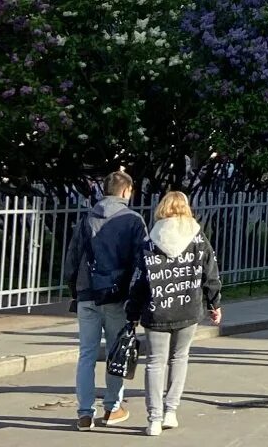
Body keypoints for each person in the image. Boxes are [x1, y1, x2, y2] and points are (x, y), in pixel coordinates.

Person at [126, 191, 222, 436]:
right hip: (188, 306)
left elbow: (139, 279)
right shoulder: (197, 237)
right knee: (180, 358)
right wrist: (214, 303)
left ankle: (154, 419)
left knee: (155, 363)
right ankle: (171, 411)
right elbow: (209, 272)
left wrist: (133, 312)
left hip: (156, 309)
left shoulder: (150, 238)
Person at [63, 169, 148, 431]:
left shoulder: (87, 219)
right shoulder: (133, 220)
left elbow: (72, 259)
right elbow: (142, 262)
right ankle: (112, 408)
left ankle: (84, 413)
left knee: (86, 354)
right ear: (126, 191)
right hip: (116, 296)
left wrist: (74, 290)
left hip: (87, 294)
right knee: (116, 352)